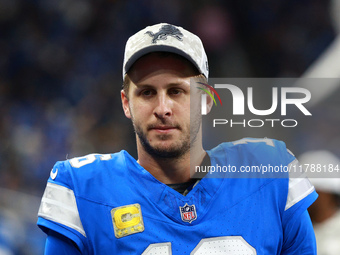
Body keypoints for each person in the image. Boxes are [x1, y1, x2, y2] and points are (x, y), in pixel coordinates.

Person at [37, 23, 318, 254]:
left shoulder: (268, 174)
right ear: (126, 103)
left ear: (207, 100)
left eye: (176, 91)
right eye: (146, 92)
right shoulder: (85, 190)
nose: (162, 109)